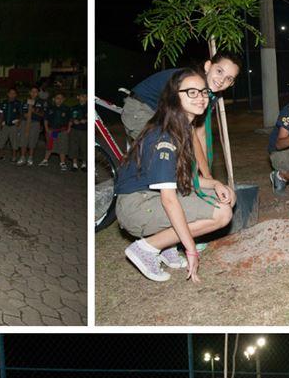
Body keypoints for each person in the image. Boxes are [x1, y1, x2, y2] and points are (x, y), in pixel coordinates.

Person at [114, 69, 235, 284]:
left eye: (203, 92)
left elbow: (182, 180)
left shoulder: (180, 127)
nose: (200, 97)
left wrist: (216, 183)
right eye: (191, 92)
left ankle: (165, 245)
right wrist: (191, 249)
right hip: (137, 205)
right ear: (174, 97)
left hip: (150, 196)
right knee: (222, 214)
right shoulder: (165, 137)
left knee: (226, 195)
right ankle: (147, 248)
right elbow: (169, 200)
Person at [121, 52, 242, 176]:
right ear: (207, 66)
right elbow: (190, 132)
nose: (222, 80)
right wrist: (206, 176)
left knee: (178, 150)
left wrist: (206, 173)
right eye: (219, 71)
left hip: (161, 113)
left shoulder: (209, 94)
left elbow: (201, 132)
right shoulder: (189, 83)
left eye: (229, 78)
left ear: (232, 83)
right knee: (166, 149)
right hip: (140, 108)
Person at [41, 91, 71, 170]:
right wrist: (47, 129)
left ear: (64, 99)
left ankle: (62, 162)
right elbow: (45, 119)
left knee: (63, 146)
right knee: (50, 145)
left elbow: (70, 120)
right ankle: (45, 160)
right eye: (57, 98)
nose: (59, 100)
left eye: (61, 98)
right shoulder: (50, 108)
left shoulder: (67, 108)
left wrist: (69, 129)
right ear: (54, 99)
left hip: (62, 131)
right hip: (53, 131)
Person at [20, 85, 47, 166]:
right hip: (25, 122)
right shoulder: (25, 101)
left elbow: (43, 114)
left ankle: (30, 157)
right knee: (23, 139)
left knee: (33, 140)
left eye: (35, 92)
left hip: (35, 123)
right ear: (29, 92)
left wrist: (34, 111)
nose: (33, 93)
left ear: (38, 93)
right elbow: (21, 112)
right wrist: (24, 115)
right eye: (32, 91)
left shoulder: (41, 102)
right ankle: (22, 157)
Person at [0, 86, 23, 162]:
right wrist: (0, 123)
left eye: (13, 93)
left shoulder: (18, 103)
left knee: (14, 142)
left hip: (13, 125)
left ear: (16, 94)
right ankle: (1, 155)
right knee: (1, 141)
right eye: (10, 93)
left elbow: (21, 114)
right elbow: (1, 113)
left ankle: (14, 157)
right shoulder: (4, 102)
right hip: (5, 125)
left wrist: (19, 122)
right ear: (8, 94)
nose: (12, 95)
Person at [69, 90, 88, 171]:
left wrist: (86, 120)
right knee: (74, 146)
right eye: (82, 96)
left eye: (86, 96)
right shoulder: (74, 107)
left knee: (84, 147)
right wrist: (73, 120)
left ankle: (84, 164)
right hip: (75, 129)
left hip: (85, 130)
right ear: (78, 97)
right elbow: (70, 118)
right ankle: (74, 164)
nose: (84, 98)